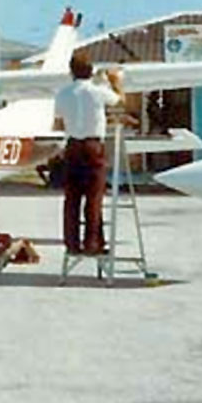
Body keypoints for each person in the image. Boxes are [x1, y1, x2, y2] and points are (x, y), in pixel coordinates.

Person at [53, 52, 122, 255]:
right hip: (93, 146)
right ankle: (93, 243)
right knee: (94, 197)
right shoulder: (98, 91)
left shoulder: (63, 93)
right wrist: (115, 81)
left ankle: (72, 244)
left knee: (72, 198)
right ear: (91, 71)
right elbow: (119, 100)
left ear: (71, 72)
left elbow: (58, 122)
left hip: (73, 145)